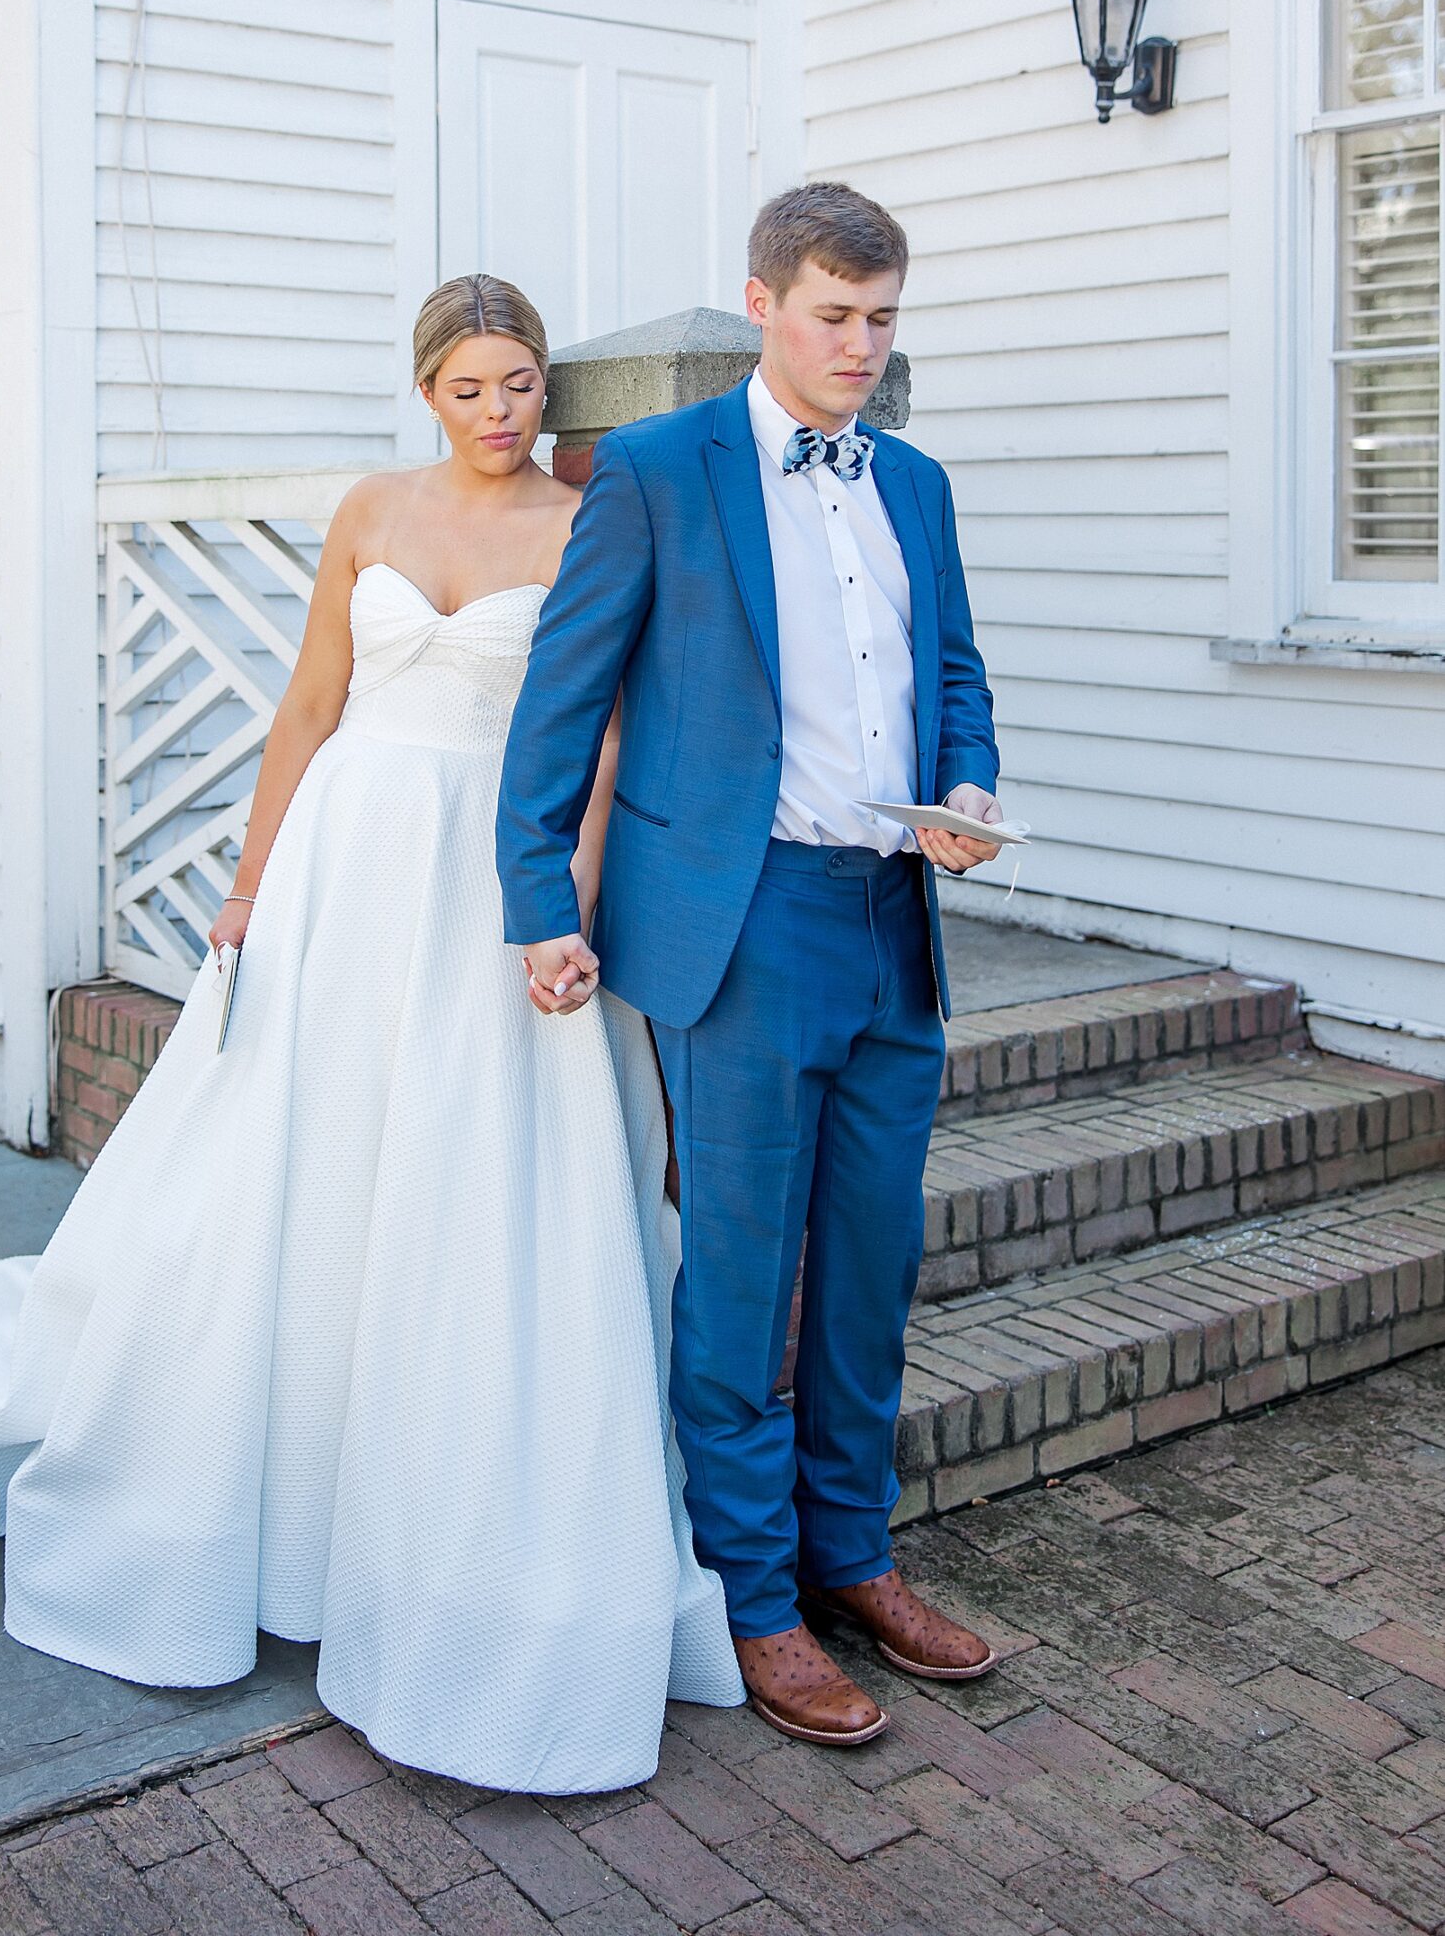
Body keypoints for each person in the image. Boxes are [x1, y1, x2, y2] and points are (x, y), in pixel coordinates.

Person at [0, 273, 742, 1795]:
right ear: (426, 392)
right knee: (303, 1163)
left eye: (521, 383)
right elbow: (310, 705)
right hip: (345, 861)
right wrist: (252, 885)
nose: (500, 412)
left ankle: (433, 1545)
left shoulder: (586, 524)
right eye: (470, 387)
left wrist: (573, 896)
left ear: (548, 393)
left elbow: (596, 733)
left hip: (492, 870)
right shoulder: (369, 513)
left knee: (467, 1169)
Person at [497, 182, 1004, 1748]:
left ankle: (856, 1559)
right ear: (765, 301)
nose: (861, 345)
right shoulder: (655, 469)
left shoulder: (913, 483)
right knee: (737, 1278)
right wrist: (538, 899)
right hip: (739, 926)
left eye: (883, 319)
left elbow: (959, 674)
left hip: (892, 919)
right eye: (835, 315)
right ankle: (756, 1597)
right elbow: (560, 699)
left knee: (868, 1272)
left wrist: (969, 791)